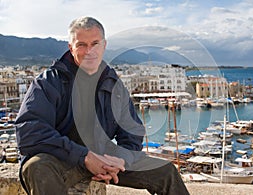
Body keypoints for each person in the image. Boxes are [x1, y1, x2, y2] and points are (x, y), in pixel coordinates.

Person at [15, 16, 189, 195]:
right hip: (63, 159)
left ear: (104, 45)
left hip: (105, 159)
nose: (89, 51)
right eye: (81, 44)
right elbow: (30, 131)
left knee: (165, 171)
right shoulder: (48, 82)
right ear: (71, 48)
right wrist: (84, 157)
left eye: (95, 43)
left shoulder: (114, 85)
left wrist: (121, 160)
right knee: (37, 167)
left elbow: (132, 131)